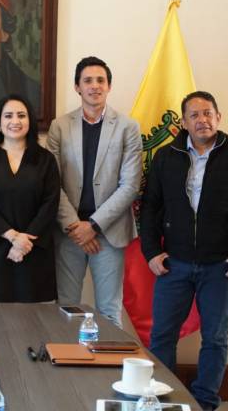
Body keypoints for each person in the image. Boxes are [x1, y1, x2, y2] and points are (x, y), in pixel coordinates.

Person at [140, 91, 228, 411]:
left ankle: (205, 403)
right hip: (174, 264)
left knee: (215, 339)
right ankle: (162, 401)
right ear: (183, 122)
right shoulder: (166, 156)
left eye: (208, 113)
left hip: (221, 266)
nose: (202, 120)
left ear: (218, 117)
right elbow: (150, 207)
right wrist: (151, 252)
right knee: (162, 337)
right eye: (195, 115)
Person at [46, 56, 142, 328]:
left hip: (109, 233)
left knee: (109, 311)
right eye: (87, 80)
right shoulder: (59, 127)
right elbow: (52, 183)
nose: (95, 86)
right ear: (77, 87)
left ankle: (108, 359)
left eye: (101, 80)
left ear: (109, 86)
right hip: (70, 233)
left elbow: (130, 185)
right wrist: (76, 226)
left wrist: (94, 225)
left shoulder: (128, 128)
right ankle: (66, 358)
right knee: (66, 308)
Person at [0, 95, 60, 302]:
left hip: (34, 247)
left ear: (30, 121)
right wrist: (12, 237)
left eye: (21, 115)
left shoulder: (45, 159)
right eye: (8, 116)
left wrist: (24, 241)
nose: (15, 121)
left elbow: (50, 203)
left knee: (35, 314)